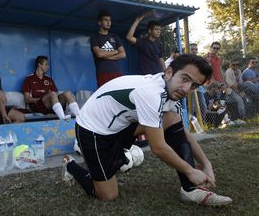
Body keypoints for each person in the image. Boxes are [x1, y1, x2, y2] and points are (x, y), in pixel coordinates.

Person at [62, 54, 232, 206]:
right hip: (93, 131)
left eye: (194, 85)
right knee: (108, 195)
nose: (186, 89)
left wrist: (206, 163)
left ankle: (190, 190)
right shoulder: (151, 92)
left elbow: (182, 133)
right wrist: (191, 170)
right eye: (185, 79)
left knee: (172, 119)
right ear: (168, 72)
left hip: (120, 126)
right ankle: (71, 165)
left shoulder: (172, 92)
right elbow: (158, 147)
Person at [22, 55, 79, 120]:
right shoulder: (29, 79)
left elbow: (56, 94)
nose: (48, 67)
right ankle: (62, 117)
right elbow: (27, 99)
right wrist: (42, 99)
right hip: (38, 107)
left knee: (67, 93)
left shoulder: (49, 79)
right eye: (46, 64)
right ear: (39, 65)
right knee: (52, 94)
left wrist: (51, 99)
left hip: (52, 106)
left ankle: (79, 115)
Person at [90, 11, 126, 87]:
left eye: (109, 20)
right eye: (105, 20)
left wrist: (106, 56)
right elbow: (99, 54)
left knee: (118, 95)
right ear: (99, 23)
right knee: (104, 96)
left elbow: (123, 54)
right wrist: (115, 51)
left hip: (116, 72)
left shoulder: (115, 37)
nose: (108, 22)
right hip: (103, 73)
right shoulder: (94, 37)